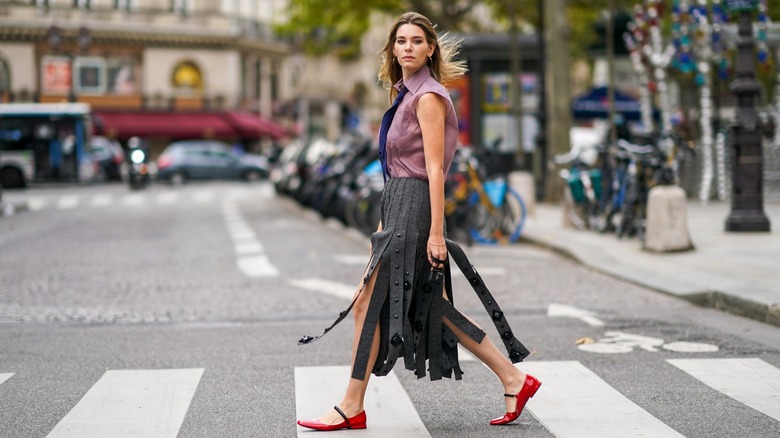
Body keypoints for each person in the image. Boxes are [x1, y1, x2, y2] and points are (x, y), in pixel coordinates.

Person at [296, 12, 541, 432]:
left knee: (370, 304)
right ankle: (514, 378)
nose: (407, 47)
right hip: (398, 205)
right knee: (427, 306)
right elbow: (394, 169)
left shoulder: (427, 97)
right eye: (400, 41)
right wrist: (382, 222)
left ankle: (351, 405)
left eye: (416, 41)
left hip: (416, 207)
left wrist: (437, 233)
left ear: (430, 49)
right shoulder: (403, 94)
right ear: (392, 49)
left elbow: (434, 169)